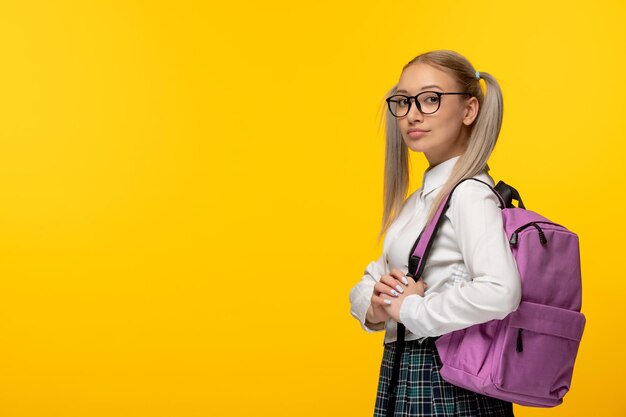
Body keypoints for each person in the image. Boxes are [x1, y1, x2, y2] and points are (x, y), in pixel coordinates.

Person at [348, 49, 522, 417]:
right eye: (403, 100)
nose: (412, 114)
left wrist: (412, 308)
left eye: (430, 99)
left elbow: (502, 291)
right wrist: (377, 305)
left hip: (445, 376)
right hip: (404, 369)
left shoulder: (469, 194)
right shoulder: (420, 200)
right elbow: (371, 278)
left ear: (469, 111)